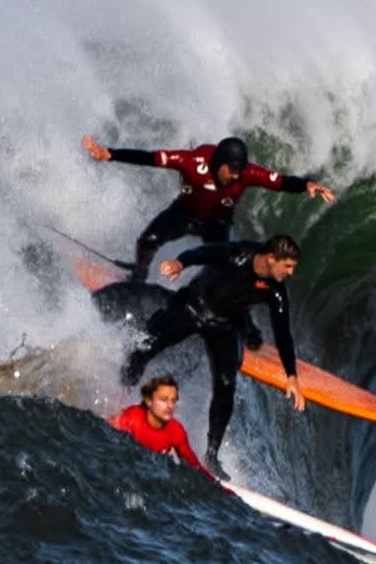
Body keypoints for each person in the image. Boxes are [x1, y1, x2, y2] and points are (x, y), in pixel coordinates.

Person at [120, 232, 306, 478]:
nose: (291, 273)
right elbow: (205, 253)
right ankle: (121, 389)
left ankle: (211, 457)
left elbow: (283, 334)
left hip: (224, 326)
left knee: (226, 384)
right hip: (193, 305)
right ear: (271, 258)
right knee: (148, 345)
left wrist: (291, 376)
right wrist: (181, 262)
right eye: (288, 266)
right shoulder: (238, 254)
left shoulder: (275, 291)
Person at [80, 133, 334, 280]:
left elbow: (279, 181)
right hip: (184, 213)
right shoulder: (192, 161)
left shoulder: (247, 173)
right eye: (232, 170)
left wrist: (305, 185)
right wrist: (110, 154)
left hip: (217, 225)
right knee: (148, 240)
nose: (236, 176)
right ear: (219, 162)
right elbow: (150, 158)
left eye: (239, 171)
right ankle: (138, 278)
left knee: (224, 270)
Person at [109, 374, 216, 480]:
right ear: (149, 401)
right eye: (164, 399)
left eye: (173, 401)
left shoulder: (175, 431)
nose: (170, 406)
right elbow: (107, 439)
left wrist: (218, 486)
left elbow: (194, 465)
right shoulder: (132, 418)